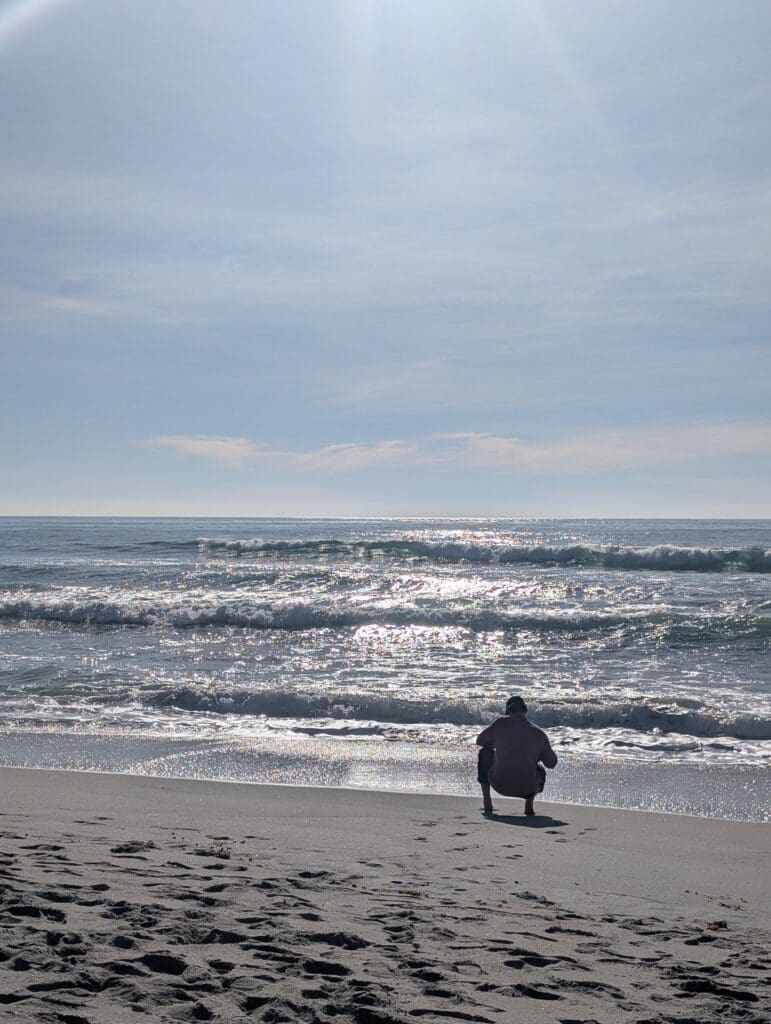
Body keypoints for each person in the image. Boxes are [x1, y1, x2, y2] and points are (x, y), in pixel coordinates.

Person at [476, 695, 557, 816]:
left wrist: (500, 745)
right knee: (541, 771)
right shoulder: (538, 733)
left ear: (508, 711)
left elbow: (480, 741)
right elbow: (552, 763)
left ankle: (487, 801)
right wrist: (536, 754)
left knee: (485, 752)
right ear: (525, 710)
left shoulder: (500, 724)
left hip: (499, 784)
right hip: (527, 788)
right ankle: (529, 802)